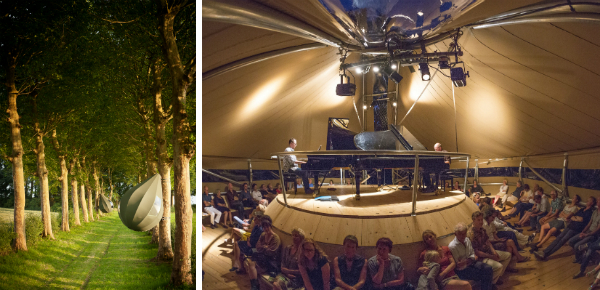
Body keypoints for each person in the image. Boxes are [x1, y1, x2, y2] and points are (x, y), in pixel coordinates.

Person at [534, 196, 596, 261]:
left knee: (562, 241)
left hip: (576, 229)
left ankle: (545, 254)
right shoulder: (582, 209)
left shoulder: (589, 212)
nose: (587, 201)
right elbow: (572, 217)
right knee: (558, 238)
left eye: (589, 201)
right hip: (570, 225)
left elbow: (581, 219)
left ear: (592, 203)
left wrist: (576, 218)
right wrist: (576, 218)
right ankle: (544, 252)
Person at [468, 211, 516, 285]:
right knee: (499, 266)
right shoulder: (471, 234)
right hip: (481, 257)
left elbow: (488, 242)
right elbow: (476, 252)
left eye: (481, 219)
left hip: (488, 252)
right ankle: (491, 282)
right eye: (478, 220)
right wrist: (491, 256)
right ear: (473, 220)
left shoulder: (482, 229)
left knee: (507, 255)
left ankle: (495, 279)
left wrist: (494, 252)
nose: (481, 222)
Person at [448, 223, 494, 290]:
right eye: (460, 234)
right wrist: (470, 259)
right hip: (462, 270)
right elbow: (459, 264)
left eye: (464, 233)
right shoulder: (452, 246)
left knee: (488, 268)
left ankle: (488, 287)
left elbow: (472, 253)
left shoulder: (467, 240)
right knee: (484, 274)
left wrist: (468, 260)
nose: (462, 236)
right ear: (455, 234)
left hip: (471, 263)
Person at [246, 215, 282, 290]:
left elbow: (271, 252)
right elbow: (257, 246)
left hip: (271, 261)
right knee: (251, 263)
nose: (266, 229)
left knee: (251, 266)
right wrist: (265, 247)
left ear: (270, 226)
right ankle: (255, 286)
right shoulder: (263, 235)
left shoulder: (276, 238)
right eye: (264, 227)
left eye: (267, 227)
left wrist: (263, 247)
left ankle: (255, 286)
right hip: (262, 257)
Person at [573, 196, 600, 278]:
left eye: (599, 200)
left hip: (595, 235)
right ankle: (581, 271)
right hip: (597, 237)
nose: (598, 202)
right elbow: (589, 224)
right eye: (598, 200)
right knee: (588, 252)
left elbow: (598, 229)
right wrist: (583, 232)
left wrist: (587, 235)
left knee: (588, 248)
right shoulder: (595, 211)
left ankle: (587, 245)